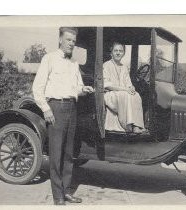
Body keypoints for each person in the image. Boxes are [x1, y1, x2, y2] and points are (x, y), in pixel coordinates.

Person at [32, 27, 94, 205]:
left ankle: (66, 191)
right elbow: (38, 88)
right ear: (60, 40)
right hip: (56, 108)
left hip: (72, 108)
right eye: (68, 40)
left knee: (68, 154)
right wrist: (46, 110)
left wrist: (84, 89)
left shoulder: (74, 63)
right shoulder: (49, 59)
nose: (71, 44)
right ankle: (57, 196)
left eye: (74, 41)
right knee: (56, 154)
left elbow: (76, 87)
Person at [103, 42, 145, 133]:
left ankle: (136, 125)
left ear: (123, 53)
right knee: (125, 95)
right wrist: (126, 89)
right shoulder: (106, 65)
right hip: (110, 94)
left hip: (122, 93)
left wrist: (131, 87)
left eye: (120, 51)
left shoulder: (124, 67)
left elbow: (128, 83)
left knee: (136, 95)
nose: (118, 53)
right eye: (116, 51)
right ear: (111, 52)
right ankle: (127, 125)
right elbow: (107, 85)